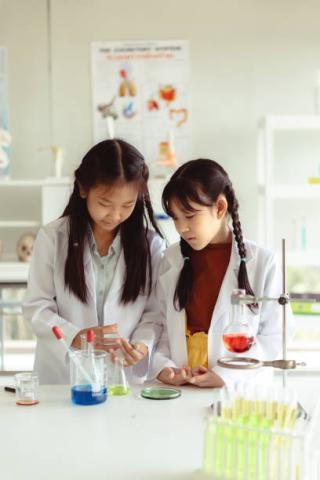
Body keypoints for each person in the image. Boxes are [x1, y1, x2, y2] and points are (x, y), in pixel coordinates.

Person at [23, 139, 165, 384]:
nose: (115, 215)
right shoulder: (53, 238)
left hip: (122, 380)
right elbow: (36, 308)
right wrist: (76, 336)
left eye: (127, 205)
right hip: (63, 381)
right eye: (105, 203)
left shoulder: (151, 246)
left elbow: (154, 315)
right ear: (83, 189)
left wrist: (141, 347)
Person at [149, 158, 292, 388]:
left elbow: (275, 336)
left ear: (220, 208)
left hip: (238, 391)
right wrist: (164, 366)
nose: (181, 228)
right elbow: (162, 328)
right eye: (175, 217)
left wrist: (227, 375)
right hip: (181, 391)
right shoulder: (170, 260)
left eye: (190, 216)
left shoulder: (263, 262)